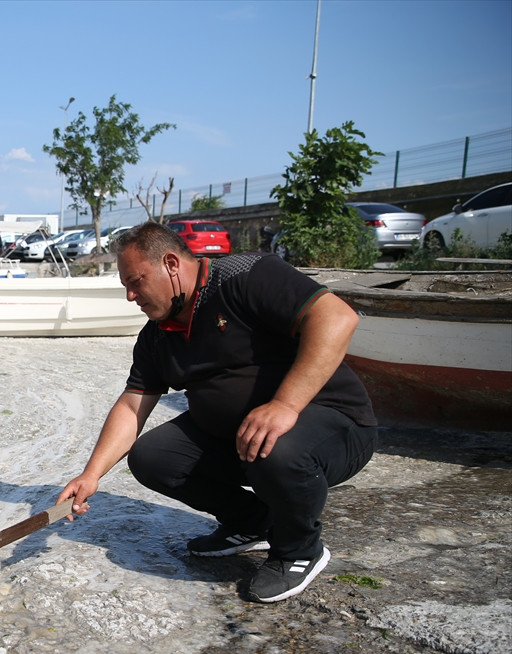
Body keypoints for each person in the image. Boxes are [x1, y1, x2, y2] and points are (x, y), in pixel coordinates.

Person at [58, 221, 378, 603]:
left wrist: (284, 405)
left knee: (273, 446)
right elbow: (131, 406)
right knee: (152, 456)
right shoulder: (157, 335)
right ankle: (253, 523)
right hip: (240, 438)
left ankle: (299, 549)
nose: (130, 296)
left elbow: (338, 318)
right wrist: (91, 475)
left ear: (172, 264)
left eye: (136, 281)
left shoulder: (247, 276)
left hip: (335, 425)